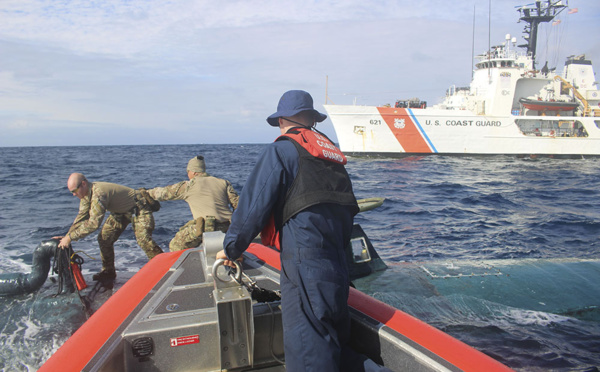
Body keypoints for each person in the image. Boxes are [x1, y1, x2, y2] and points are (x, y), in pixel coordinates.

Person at [216, 90, 389, 371]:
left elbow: (251, 209)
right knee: (335, 344)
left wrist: (231, 249)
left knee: (308, 353)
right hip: (338, 268)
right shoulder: (331, 158)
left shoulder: (281, 151)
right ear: (312, 121)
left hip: (304, 266)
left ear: (282, 120)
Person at [54, 173, 163, 281]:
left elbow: (93, 224)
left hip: (139, 207)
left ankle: (165, 267)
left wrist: (70, 238)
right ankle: (108, 271)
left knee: (143, 240)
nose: (73, 194)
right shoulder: (85, 195)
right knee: (104, 239)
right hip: (121, 212)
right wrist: (67, 237)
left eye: (74, 191)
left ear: (83, 184)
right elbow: (81, 218)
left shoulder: (98, 194)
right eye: (72, 192)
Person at [147, 156, 239, 251]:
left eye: (188, 172)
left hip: (208, 228)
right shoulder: (224, 183)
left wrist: (146, 193)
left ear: (194, 172)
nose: (188, 175)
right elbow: (237, 204)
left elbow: (162, 193)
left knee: (175, 245)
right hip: (228, 228)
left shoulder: (189, 185)